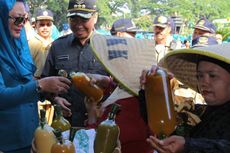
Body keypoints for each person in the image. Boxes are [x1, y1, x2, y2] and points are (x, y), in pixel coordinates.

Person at [0, 0, 71, 152]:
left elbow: (25, 83)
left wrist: (52, 96)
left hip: (30, 135)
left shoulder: (18, 46)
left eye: (25, 19)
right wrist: (40, 85)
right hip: (7, 142)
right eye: (18, 19)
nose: (21, 24)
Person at [145, 43, 230, 153]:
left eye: (212, 75)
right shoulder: (197, 113)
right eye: (200, 76)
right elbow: (160, 119)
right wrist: (154, 85)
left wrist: (189, 146)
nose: (204, 82)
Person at [41, 0, 108, 127]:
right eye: (73, 20)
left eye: (83, 20)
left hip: (98, 123)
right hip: (65, 123)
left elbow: (118, 86)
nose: (78, 25)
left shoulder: (107, 47)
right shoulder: (58, 46)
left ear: (95, 17)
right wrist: (55, 99)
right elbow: (45, 80)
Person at [29, 9, 54, 78]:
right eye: (42, 25)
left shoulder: (54, 42)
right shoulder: (32, 42)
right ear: (36, 25)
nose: (45, 28)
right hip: (37, 81)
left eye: (48, 24)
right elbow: (25, 66)